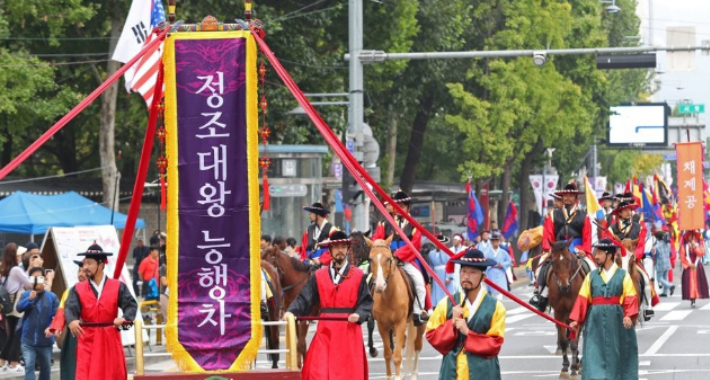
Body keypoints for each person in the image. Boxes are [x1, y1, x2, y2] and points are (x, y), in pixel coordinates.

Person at [284, 230, 373, 380]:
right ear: (330, 250)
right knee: (317, 372)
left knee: (348, 375)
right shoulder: (319, 275)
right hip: (325, 331)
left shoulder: (358, 275)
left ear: (347, 249)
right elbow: (304, 298)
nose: (340, 251)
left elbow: (366, 301)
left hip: (349, 331)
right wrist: (291, 311)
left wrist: (359, 314)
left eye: (343, 247)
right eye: (336, 247)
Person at [426, 249, 506, 380]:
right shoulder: (446, 303)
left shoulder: (496, 307)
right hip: (453, 370)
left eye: (473, 272)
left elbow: (495, 344)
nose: (466, 276)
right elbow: (431, 335)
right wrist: (451, 323)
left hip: (484, 371)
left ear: (483, 277)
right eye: (463, 271)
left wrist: (468, 333)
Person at [64, 244, 138, 380]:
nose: (85, 267)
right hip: (88, 339)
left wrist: (124, 319)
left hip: (110, 339)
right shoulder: (77, 289)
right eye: (85, 263)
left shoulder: (117, 286)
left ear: (101, 264)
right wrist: (72, 320)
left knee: (112, 374)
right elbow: (70, 307)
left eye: (89, 263)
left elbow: (131, 305)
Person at [569, 239, 638, 380]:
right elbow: (582, 298)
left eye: (599, 253)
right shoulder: (591, 276)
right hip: (595, 321)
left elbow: (630, 297)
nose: (596, 256)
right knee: (594, 354)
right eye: (596, 252)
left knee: (618, 354)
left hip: (617, 321)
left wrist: (628, 315)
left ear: (610, 255)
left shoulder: (623, 275)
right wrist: (575, 320)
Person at [371, 190, 429, 325]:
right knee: (369, 278)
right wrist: (382, 253)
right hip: (385, 261)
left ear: (408, 208)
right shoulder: (385, 223)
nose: (399, 209)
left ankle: (417, 312)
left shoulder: (414, 225)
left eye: (402, 206)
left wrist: (397, 255)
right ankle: (369, 307)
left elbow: (414, 246)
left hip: (406, 261)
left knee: (419, 283)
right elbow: (377, 239)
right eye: (396, 206)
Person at [531, 182, 592, 311]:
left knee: (591, 267)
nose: (568, 198)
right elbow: (548, 234)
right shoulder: (553, 215)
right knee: (542, 265)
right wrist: (548, 249)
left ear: (576, 199)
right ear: (562, 198)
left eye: (571, 195)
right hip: (557, 248)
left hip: (577, 248)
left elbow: (587, 237)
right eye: (565, 195)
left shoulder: (584, 216)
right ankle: (540, 293)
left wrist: (584, 250)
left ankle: (594, 295)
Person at [610, 201, 655, 320]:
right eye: (625, 210)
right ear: (619, 213)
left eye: (629, 210)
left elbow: (640, 245)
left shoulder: (639, 227)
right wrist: (615, 255)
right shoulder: (612, 228)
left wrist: (635, 255)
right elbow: (609, 243)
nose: (628, 212)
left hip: (633, 259)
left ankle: (648, 307)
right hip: (617, 259)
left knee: (645, 279)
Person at [17, 267, 59, 380]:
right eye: (33, 278)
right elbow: (19, 308)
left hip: (45, 340)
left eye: (39, 278)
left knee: (45, 369)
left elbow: (58, 317)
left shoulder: (52, 297)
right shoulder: (25, 295)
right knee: (29, 366)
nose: (36, 281)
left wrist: (52, 329)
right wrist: (29, 299)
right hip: (28, 340)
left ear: (44, 279)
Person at [48, 260, 87, 380]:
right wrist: (56, 327)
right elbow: (61, 312)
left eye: (84, 271)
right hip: (74, 336)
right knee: (72, 368)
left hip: (91, 334)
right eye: (79, 271)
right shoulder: (70, 291)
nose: (80, 274)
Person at [0, 243, 35, 373]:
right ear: (15, 256)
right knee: (17, 335)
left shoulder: (5, 269)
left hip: (8, 305)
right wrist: (31, 267)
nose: (21, 257)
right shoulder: (16, 270)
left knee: (11, 336)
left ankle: (3, 362)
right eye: (19, 255)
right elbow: (29, 283)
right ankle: (14, 364)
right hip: (17, 306)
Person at [300, 202, 338, 267]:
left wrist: (320, 260)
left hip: (326, 265)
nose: (309, 215)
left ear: (318, 215)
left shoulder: (332, 230)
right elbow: (304, 249)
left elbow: (335, 248)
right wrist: (304, 261)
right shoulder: (308, 230)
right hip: (309, 265)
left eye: (311, 213)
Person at [679, 231, 709, 307]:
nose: (692, 238)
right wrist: (689, 264)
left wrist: (695, 247)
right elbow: (682, 257)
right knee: (690, 284)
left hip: (697, 266)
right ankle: (692, 299)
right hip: (689, 267)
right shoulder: (684, 246)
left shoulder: (699, 245)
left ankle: (696, 296)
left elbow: (701, 253)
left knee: (697, 283)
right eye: (690, 236)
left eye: (693, 236)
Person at [428, 234, 454, 307]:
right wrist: (430, 276)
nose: (437, 245)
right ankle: (436, 305)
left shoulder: (447, 252)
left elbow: (451, 264)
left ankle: (447, 305)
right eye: (436, 243)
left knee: (445, 291)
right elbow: (431, 265)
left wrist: (448, 277)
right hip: (436, 274)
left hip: (445, 273)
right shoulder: (431, 253)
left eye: (439, 243)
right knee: (436, 291)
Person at [485, 232, 512, 300]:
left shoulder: (503, 252)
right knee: (492, 294)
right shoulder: (487, 252)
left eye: (497, 241)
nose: (495, 243)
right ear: (491, 242)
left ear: (499, 242)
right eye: (494, 241)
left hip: (500, 273)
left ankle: (499, 308)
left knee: (500, 294)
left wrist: (503, 264)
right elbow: (484, 262)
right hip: (491, 273)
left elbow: (509, 261)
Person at [653, 231, 674, 297]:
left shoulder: (657, 246)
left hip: (660, 263)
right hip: (667, 262)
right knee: (665, 277)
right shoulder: (668, 244)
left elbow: (655, 254)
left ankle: (670, 285)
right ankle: (664, 292)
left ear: (657, 238)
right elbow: (670, 253)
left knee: (659, 278)